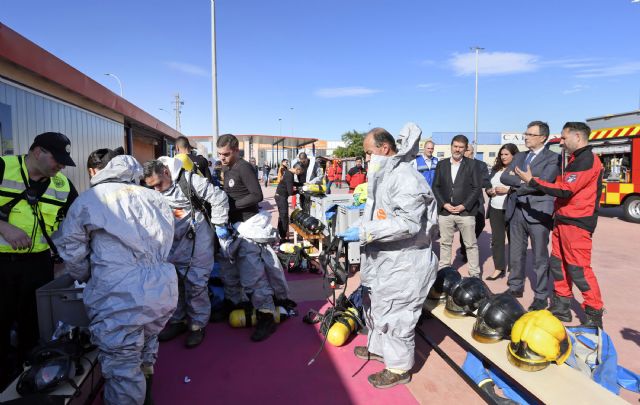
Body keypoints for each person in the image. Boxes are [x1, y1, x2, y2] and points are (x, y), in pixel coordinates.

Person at [53, 150, 177, 405]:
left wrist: (85, 275)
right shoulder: (158, 199)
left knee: (122, 365)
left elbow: (70, 246)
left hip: (118, 291)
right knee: (147, 341)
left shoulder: (92, 199)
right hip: (162, 288)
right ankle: (147, 387)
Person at [340, 124, 437, 388]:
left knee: (397, 316)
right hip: (384, 258)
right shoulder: (384, 176)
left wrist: (363, 231)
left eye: (370, 153)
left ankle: (398, 368)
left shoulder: (405, 178)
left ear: (384, 148)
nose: (367, 159)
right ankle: (379, 349)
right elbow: (382, 215)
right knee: (376, 306)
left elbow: (408, 224)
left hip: (406, 261)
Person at [0, 132, 78, 389]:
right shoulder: (3, 167)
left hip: (39, 264)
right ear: (37, 152)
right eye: (58, 159)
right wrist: (4, 227)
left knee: (33, 324)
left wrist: (64, 258)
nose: (62, 166)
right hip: (2, 264)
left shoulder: (63, 186)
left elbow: (77, 224)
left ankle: (27, 376)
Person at [515, 122, 605, 328]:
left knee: (579, 269)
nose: (561, 142)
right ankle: (561, 306)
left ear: (578, 137)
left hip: (577, 224)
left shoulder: (587, 159)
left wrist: (533, 181)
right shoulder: (575, 159)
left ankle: (594, 312)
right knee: (558, 264)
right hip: (563, 220)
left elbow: (566, 189)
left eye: (564, 138)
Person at [143, 157, 228, 348]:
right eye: (152, 187)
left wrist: (220, 223)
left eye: (158, 184)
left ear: (166, 172)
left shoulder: (188, 181)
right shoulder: (155, 189)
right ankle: (178, 320)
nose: (156, 189)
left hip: (198, 237)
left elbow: (219, 198)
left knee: (196, 282)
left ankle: (197, 325)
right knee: (174, 283)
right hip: (173, 240)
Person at [216, 134, 280, 342]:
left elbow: (257, 196)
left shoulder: (244, 167)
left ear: (235, 150)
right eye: (219, 155)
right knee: (228, 271)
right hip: (232, 227)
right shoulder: (226, 168)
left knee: (252, 274)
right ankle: (235, 304)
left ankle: (266, 315)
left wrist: (231, 206)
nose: (222, 158)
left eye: (225, 154)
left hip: (248, 226)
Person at [501, 121, 560, 311]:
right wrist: (527, 181)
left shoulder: (553, 158)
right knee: (516, 254)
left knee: (540, 258)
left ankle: (541, 295)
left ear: (543, 137)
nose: (525, 137)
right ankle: (515, 287)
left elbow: (546, 181)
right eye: (525, 133)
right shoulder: (520, 156)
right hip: (517, 211)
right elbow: (505, 177)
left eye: (530, 134)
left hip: (538, 213)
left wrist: (520, 186)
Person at [432, 134, 482, 277]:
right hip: (446, 212)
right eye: (455, 146)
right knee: (445, 243)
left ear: (465, 148)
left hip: (465, 213)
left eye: (461, 147)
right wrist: (444, 204)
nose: (458, 149)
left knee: (471, 245)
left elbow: (477, 188)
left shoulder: (473, 165)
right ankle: (444, 271)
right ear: (451, 147)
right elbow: (436, 187)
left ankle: (474, 274)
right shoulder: (442, 165)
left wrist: (464, 205)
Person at [485, 143, 519, 280]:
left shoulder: (518, 169)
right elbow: (488, 185)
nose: (503, 157)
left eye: (506, 154)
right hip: (495, 209)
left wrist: (507, 190)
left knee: (514, 242)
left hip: (512, 209)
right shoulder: (495, 169)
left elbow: (523, 187)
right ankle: (499, 268)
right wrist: (489, 191)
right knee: (497, 241)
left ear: (514, 155)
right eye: (502, 154)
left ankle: (514, 270)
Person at [459, 144, 491, 263]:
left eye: (467, 150)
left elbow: (485, 181)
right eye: (464, 150)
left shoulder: (481, 165)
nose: (465, 152)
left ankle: (469, 244)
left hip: (477, 201)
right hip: (462, 201)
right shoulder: (459, 164)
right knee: (464, 226)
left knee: (480, 224)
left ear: (472, 152)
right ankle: (465, 250)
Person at [274, 162, 303, 241]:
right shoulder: (290, 175)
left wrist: (301, 184)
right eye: (300, 172)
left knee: (282, 216)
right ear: (297, 169)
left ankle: (280, 234)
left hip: (279, 196)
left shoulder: (288, 172)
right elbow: (290, 192)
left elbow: (291, 183)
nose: (300, 174)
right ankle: (283, 238)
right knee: (284, 217)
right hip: (281, 197)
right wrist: (300, 191)